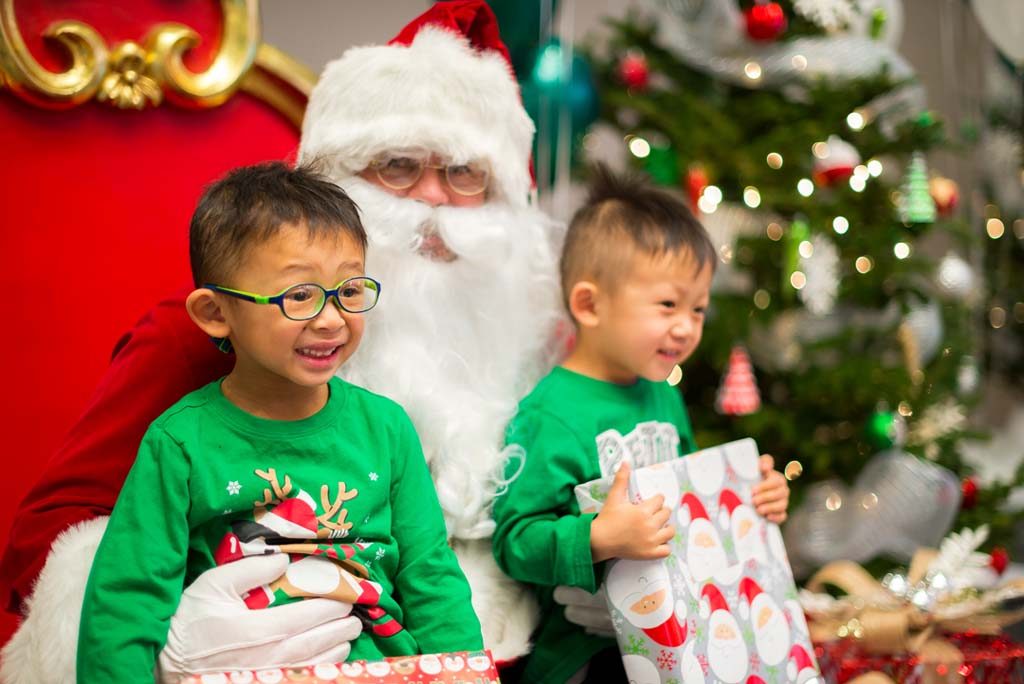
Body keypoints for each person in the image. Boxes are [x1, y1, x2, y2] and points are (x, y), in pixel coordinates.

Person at [1, 3, 565, 682]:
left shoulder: (525, 342)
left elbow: (445, 567)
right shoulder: (200, 345)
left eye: (465, 174)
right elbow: (49, 536)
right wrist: (170, 639)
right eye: (397, 166)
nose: (432, 202)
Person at [76, 162, 483, 681]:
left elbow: (431, 576)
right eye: (299, 296)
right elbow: (125, 603)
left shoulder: (387, 428)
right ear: (216, 313)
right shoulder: (179, 443)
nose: (332, 318)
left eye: (350, 290)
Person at [491, 167, 791, 684]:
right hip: (588, 650)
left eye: (698, 309)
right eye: (668, 305)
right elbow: (514, 540)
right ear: (590, 304)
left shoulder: (662, 394)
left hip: (679, 636)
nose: (687, 327)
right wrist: (597, 538)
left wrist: (751, 496)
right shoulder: (551, 413)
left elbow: (695, 500)